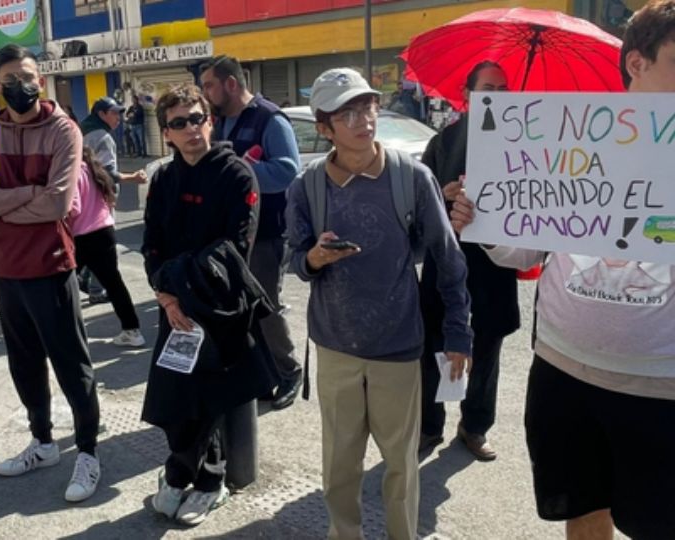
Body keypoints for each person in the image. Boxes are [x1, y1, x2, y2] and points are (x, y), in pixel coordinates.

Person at [449, 2, 675, 537]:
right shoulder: (567, 136)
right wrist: (483, 220)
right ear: (639, 63)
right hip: (563, 370)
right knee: (581, 509)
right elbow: (523, 253)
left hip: (659, 384)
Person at [285, 68, 472, 540]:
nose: (364, 119)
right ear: (324, 127)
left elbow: (448, 261)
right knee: (340, 466)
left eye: (367, 106)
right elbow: (294, 259)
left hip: (398, 347)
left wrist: (458, 334)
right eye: (348, 113)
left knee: (401, 469)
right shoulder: (306, 187)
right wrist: (314, 257)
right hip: (335, 348)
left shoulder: (412, 177)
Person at [142, 83, 276, 526]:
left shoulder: (236, 174)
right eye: (179, 123)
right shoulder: (163, 178)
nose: (190, 129)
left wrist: (177, 285)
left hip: (220, 308)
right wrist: (165, 296)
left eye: (196, 118)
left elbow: (232, 250)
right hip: (175, 308)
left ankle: (207, 482)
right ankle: (180, 473)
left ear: (210, 121)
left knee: (211, 399)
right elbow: (152, 246)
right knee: (173, 400)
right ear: (167, 132)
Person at [0, 43, 102, 503]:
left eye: (27, 78)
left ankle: (88, 451)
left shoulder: (64, 130)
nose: (20, 88)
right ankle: (43, 442)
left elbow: (58, 204)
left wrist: (9, 201)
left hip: (52, 265)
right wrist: (30, 193)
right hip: (7, 268)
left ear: (41, 81)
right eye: (9, 80)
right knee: (24, 365)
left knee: (72, 365)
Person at [417, 61, 519, 461]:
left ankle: (475, 426)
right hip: (446, 263)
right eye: (489, 87)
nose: (496, 94)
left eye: (504, 88)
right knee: (434, 347)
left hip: (494, 264)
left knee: (488, 347)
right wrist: (442, 194)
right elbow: (415, 208)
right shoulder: (443, 142)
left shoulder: (519, 142)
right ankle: (429, 425)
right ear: (468, 94)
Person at [200, 55, 303, 410]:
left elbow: (288, 172)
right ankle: (265, 373)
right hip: (231, 232)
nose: (205, 92)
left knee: (266, 307)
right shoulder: (219, 122)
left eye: (209, 85)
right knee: (240, 308)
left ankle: (290, 370)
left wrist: (241, 173)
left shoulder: (270, 119)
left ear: (231, 83)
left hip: (268, 233)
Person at [71, 147, 145, 347]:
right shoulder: (92, 169)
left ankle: (65, 335)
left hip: (80, 236)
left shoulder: (70, 172)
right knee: (114, 283)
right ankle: (132, 330)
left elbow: (72, 209)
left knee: (63, 286)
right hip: (104, 230)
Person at [80, 97, 147, 187]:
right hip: (100, 195)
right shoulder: (103, 138)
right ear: (101, 114)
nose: (118, 118)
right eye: (114, 113)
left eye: (119, 114)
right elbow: (108, 174)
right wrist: (133, 177)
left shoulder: (80, 132)